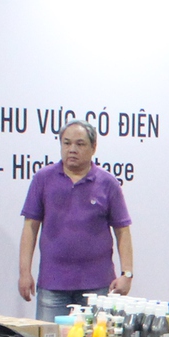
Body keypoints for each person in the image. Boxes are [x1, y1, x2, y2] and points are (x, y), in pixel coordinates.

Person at [18, 120, 134, 323]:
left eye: (80, 144)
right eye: (67, 143)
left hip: (98, 286)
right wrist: (24, 273)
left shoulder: (108, 183)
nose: (72, 149)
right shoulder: (43, 179)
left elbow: (122, 230)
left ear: (93, 147)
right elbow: (30, 227)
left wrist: (127, 274)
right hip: (53, 284)